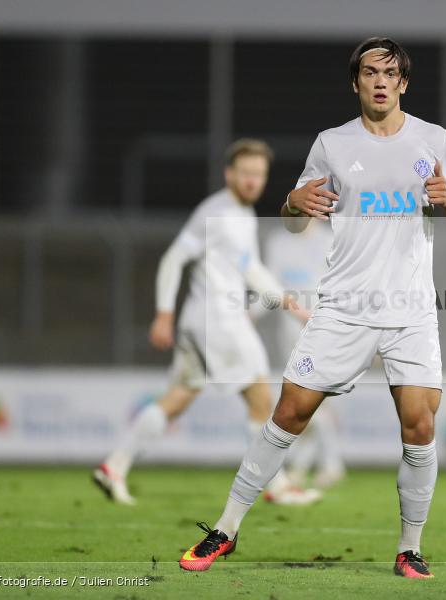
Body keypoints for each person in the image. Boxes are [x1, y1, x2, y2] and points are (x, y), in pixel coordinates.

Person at [178, 37, 446, 579]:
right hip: (343, 307)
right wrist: (293, 204)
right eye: (369, 73)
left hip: (409, 310)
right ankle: (226, 528)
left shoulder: (433, 139)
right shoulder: (332, 144)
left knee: (420, 424)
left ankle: (409, 548)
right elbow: (294, 215)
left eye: (390, 73)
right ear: (355, 83)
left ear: (403, 83)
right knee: (289, 412)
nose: (380, 81)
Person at [93, 138, 320, 507]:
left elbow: (249, 268)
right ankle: (275, 486)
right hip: (217, 319)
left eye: (258, 174)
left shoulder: (243, 216)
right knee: (261, 397)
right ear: (229, 174)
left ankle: (114, 466)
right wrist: (163, 313)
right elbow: (172, 260)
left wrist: (286, 300)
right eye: (245, 172)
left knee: (178, 399)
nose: (252, 180)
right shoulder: (214, 212)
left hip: (201, 323)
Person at [264, 219, 346, 489]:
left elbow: (342, 283)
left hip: (320, 329)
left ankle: (317, 465)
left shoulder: (330, 238)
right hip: (288, 333)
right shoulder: (277, 242)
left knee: (311, 398)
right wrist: (249, 314)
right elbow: (271, 286)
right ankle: (321, 465)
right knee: (310, 400)